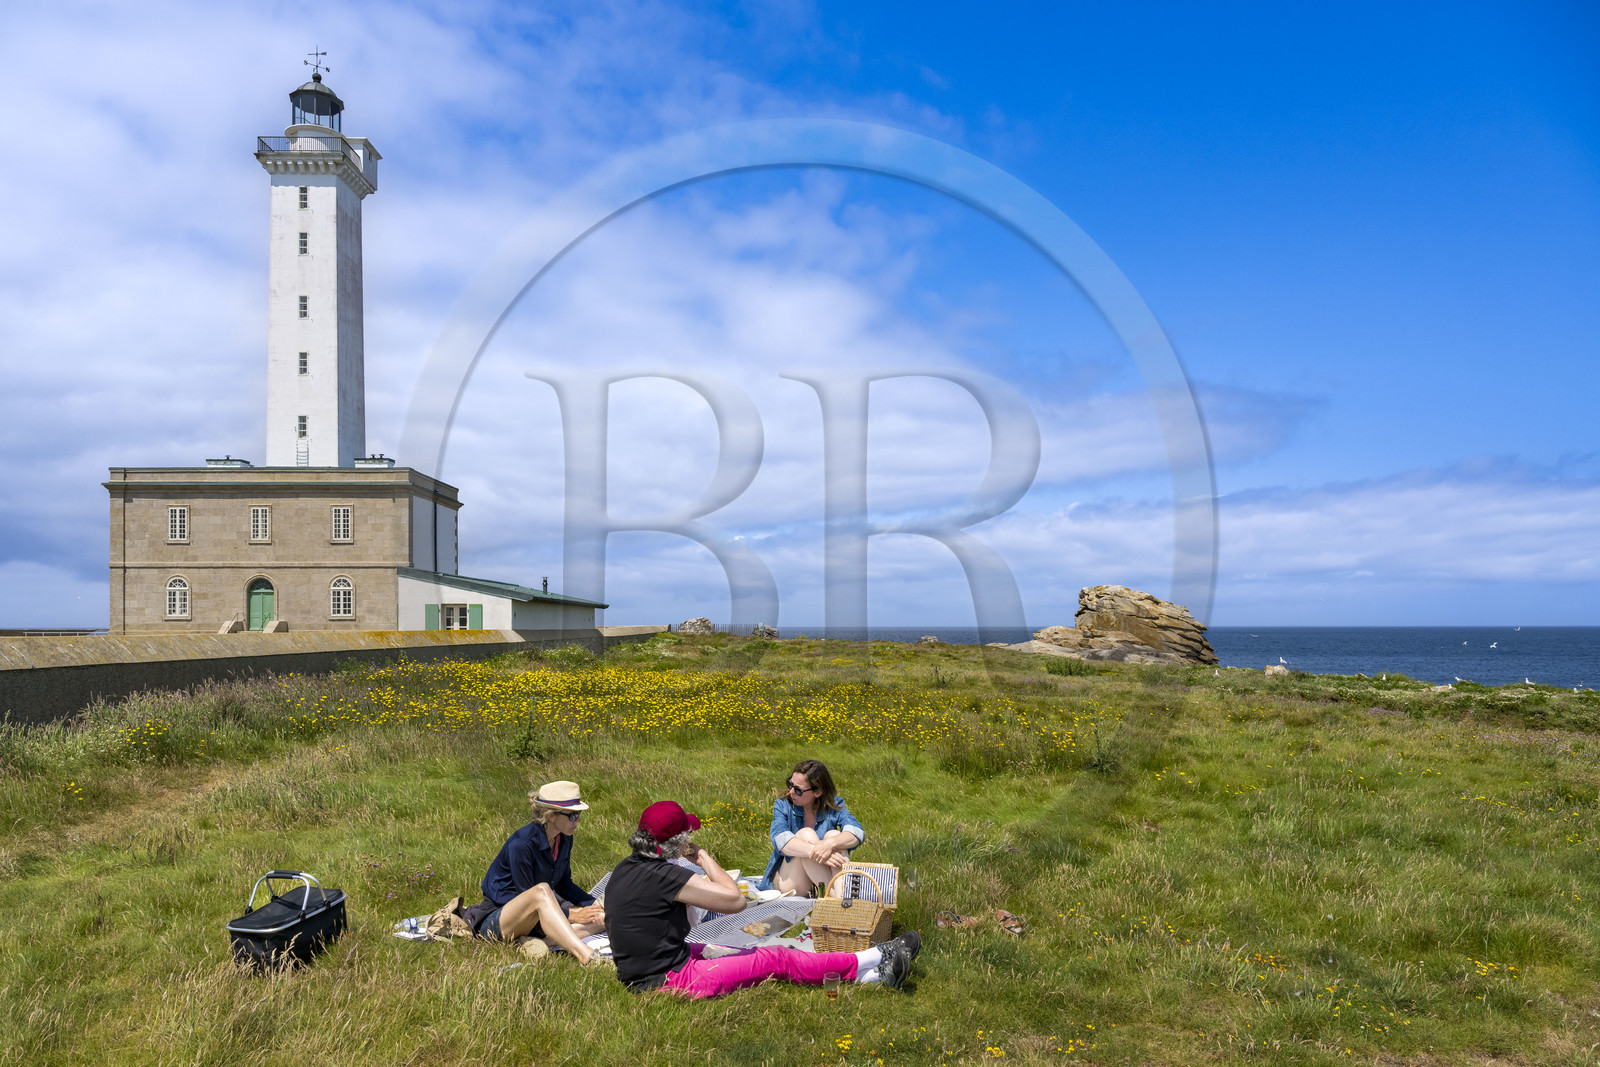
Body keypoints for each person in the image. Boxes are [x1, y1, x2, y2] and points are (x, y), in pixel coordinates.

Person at [603, 800, 920, 998]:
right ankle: (874, 957)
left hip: (645, 972)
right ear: (679, 842)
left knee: (738, 952)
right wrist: (704, 859)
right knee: (775, 958)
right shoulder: (666, 877)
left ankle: (876, 977)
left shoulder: (625, 868)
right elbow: (735, 901)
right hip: (670, 980)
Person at [462, 779, 607, 965]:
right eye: (572, 815)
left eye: (578, 814)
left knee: (601, 918)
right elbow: (530, 897)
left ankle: (545, 943)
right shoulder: (522, 844)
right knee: (542, 890)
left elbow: (564, 883)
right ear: (551, 816)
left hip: (539, 915)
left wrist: (594, 905)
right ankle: (587, 957)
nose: (578, 820)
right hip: (498, 919)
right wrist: (573, 915)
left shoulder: (564, 839)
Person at [759, 759, 867, 895]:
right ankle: (837, 900)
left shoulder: (834, 805)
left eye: (798, 790)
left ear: (817, 792)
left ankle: (837, 897)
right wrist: (817, 851)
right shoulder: (782, 805)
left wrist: (829, 844)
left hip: (822, 877)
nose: (791, 791)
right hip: (792, 881)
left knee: (834, 835)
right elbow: (781, 841)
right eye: (790, 784)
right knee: (805, 834)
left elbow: (857, 833)